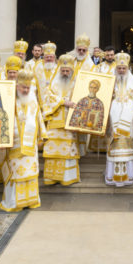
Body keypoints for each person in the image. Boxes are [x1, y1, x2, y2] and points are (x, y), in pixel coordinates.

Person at [0, 70, 42, 212]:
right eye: (23, 87)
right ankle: (14, 202)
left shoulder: (32, 100)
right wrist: (1, 139)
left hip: (30, 144)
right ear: (17, 86)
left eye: (28, 88)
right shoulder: (9, 99)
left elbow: (38, 117)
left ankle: (30, 201)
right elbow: (1, 118)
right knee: (16, 172)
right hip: (14, 143)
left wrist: (42, 135)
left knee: (30, 172)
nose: (26, 90)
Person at [41, 55, 81, 185]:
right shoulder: (54, 82)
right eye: (63, 70)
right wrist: (63, 102)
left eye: (67, 71)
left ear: (71, 70)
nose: (64, 73)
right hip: (55, 121)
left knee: (68, 150)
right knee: (53, 150)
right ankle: (51, 178)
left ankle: (66, 178)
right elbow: (47, 96)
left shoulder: (77, 83)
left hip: (70, 121)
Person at [106, 53, 133, 186]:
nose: (121, 70)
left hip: (128, 121)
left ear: (127, 69)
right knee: (114, 146)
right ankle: (112, 176)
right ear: (116, 69)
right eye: (119, 68)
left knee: (126, 147)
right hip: (113, 120)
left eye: (123, 68)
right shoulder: (110, 82)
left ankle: (128, 176)